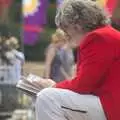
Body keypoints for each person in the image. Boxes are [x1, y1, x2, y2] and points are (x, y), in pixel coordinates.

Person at [35, 0, 120, 120]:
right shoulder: (107, 34)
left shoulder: (97, 37)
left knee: (47, 97)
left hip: (112, 107)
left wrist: (54, 86)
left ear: (76, 24)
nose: (66, 34)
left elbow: (84, 85)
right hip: (110, 104)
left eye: (65, 28)